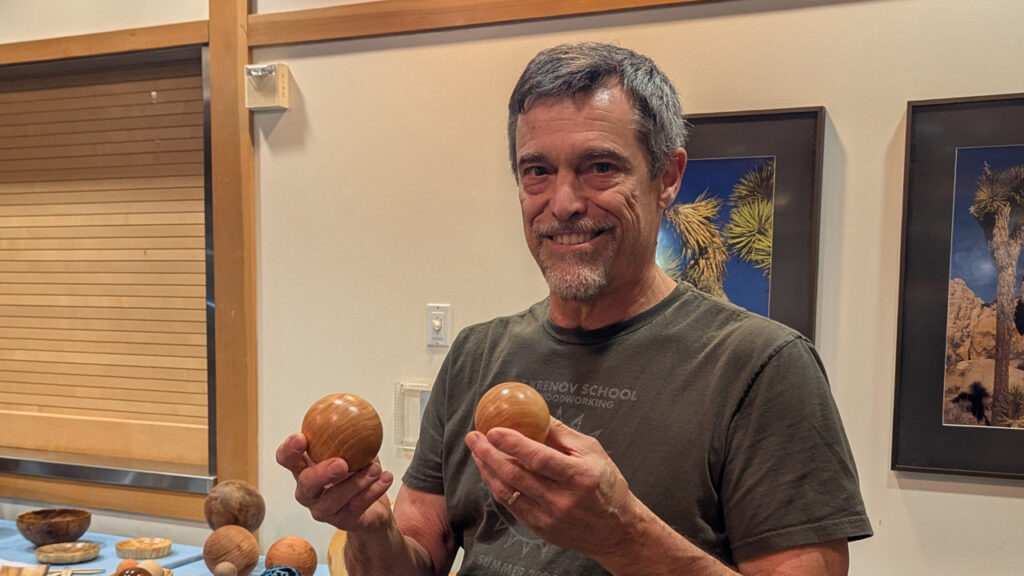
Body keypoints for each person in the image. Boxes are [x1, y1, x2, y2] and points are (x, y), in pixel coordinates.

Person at [277, 42, 872, 576]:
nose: (562, 203)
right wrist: (368, 527)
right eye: (538, 171)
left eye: (600, 167)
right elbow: (413, 562)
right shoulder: (478, 354)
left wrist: (624, 536)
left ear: (668, 177)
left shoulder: (762, 367)